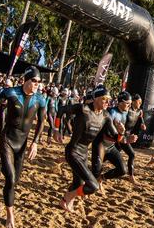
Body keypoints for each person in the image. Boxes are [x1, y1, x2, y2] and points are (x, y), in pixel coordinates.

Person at [0, 66, 46, 228]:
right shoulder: (12, 93)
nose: (36, 84)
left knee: (15, 179)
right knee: (11, 179)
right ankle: (10, 214)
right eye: (34, 80)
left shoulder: (40, 100)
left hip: (23, 143)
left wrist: (35, 142)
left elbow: (41, 122)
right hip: (7, 139)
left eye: (39, 82)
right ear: (26, 79)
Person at [55, 85, 124, 213]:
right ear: (96, 98)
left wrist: (121, 133)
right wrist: (56, 129)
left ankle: (66, 202)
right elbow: (61, 110)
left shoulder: (106, 116)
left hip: (84, 152)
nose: (107, 102)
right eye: (104, 99)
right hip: (73, 151)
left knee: (78, 183)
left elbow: (115, 137)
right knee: (93, 185)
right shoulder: (83, 109)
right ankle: (68, 196)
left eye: (108, 99)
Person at [92, 91, 136, 186]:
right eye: (127, 103)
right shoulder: (111, 113)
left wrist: (126, 136)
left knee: (123, 169)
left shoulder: (125, 113)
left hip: (111, 146)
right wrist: (123, 136)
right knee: (94, 171)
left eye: (130, 103)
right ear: (120, 102)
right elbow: (108, 132)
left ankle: (101, 178)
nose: (129, 106)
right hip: (101, 145)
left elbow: (120, 132)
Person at [117, 93, 145, 182]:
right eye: (138, 102)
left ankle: (131, 175)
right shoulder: (127, 110)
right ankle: (131, 176)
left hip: (127, 136)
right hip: (120, 135)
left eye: (141, 102)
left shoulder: (140, 111)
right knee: (130, 154)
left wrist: (142, 124)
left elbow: (141, 119)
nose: (140, 103)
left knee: (129, 154)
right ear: (133, 102)